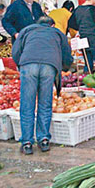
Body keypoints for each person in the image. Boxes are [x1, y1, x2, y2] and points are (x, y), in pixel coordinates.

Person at [12, 17, 73, 155]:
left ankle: (27, 143)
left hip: (28, 65)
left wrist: (20, 64)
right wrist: (65, 67)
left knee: (27, 104)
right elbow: (66, 54)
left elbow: (16, 51)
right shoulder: (57, 33)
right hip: (49, 66)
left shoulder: (26, 30)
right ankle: (44, 139)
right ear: (51, 25)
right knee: (45, 103)